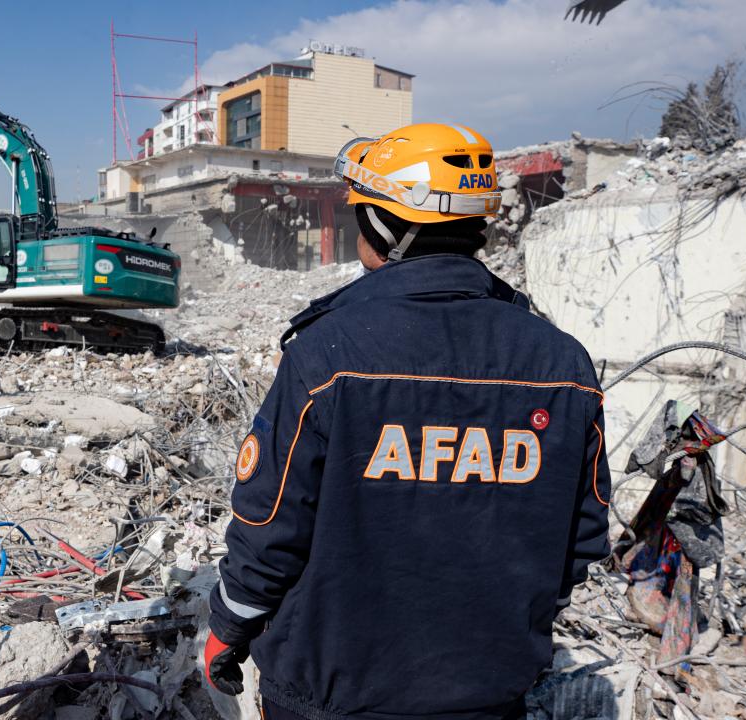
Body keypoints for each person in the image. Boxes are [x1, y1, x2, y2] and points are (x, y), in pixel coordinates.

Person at [203, 123, 610, 720]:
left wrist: (228, 627)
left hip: (331, 696)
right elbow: (580, 537)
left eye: (360, 216)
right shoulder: (564, 363)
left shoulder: (328, 356)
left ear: (388, 227)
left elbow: (271, 525)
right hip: (488, 692)